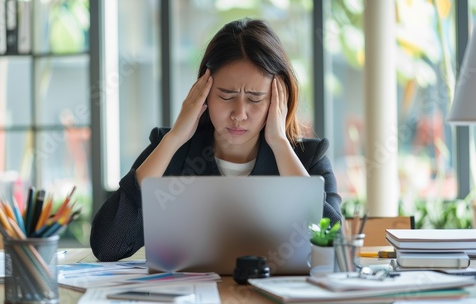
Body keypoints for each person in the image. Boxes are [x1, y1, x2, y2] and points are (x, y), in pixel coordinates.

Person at [90, 18, 342, 262]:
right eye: (226, 95)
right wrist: (174, 138)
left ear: (278, 100)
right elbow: (108, 246)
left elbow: (332, 244)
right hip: (188, 301)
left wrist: (279, 144)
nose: (239, 114)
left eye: (255, 98)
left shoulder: (308, 158)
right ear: (204, 92)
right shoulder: (173, 151)